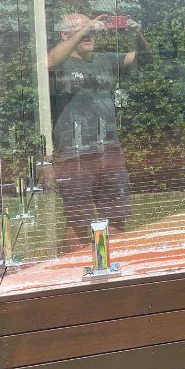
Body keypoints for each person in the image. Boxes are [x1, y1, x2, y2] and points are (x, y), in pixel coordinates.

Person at [47, 13, 152, 244]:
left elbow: (144, 59)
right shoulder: (61, 63)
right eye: (81, 28)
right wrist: (86, 28)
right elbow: (49, 62)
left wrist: (137, 34)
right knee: (78, 220)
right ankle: (72, 274)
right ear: (64, 35)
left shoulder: (104, 59)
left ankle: (113, 273)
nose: (90, 33)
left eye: (91, 29)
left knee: (117, 217)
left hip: (109, 149)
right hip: (74, 152)